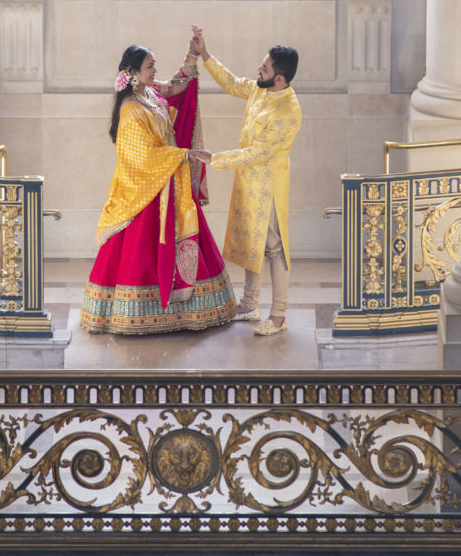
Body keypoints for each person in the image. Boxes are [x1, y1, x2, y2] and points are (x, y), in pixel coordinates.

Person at [81, 42, 237, 335]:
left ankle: (186, 314)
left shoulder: (149, 94)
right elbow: (141, 157)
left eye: (154, 64)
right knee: (138, 255)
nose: (155, 71)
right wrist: (183, 154)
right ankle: (138, 315)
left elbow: (177, 87)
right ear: (133, 73)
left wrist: (193, 55)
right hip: (144, 190)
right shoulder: (130, 110)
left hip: (168, 182)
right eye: (150, 66)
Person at [189, 25, 301, 336]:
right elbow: (232, 82)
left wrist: (216, 159)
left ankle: (278, 316)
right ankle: (249, 305)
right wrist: (205, 54)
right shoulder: (261, 89)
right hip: (249, 182)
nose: (258, 70)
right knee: (255, 244)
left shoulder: (289, 111)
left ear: (279, 78)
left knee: (275, 250)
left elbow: (259, 154)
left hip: (269, 187)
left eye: (264, 68)